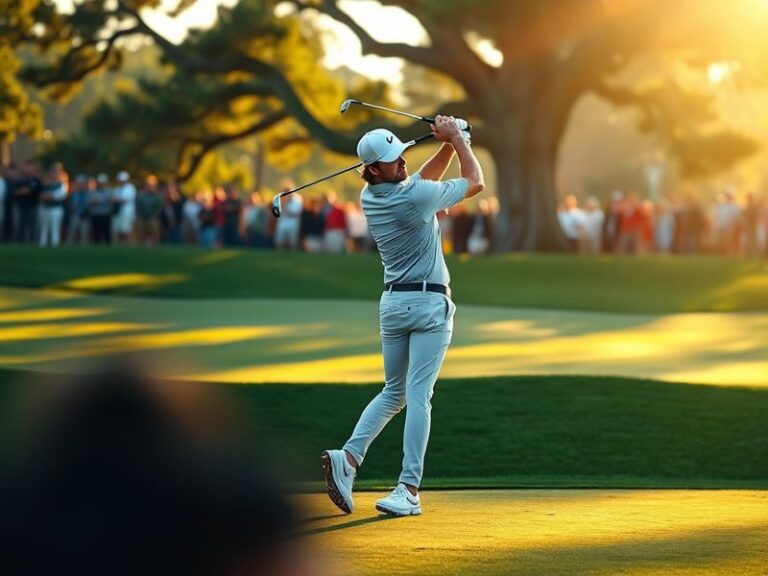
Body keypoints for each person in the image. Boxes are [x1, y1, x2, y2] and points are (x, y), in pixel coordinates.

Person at [321, 115, 484, 517]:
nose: (403, 162)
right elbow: (475, 181)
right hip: (428, 306)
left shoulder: (371, 196)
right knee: (418, 396)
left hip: (393, 306)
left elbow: (419, 184)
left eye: (401, 156)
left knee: (394, 392)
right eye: (394, 161)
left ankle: (349, 458)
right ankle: (408, 489)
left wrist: (443, 142)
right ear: (374, 169)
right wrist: (460, 140)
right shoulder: (412, 199)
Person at [112, 171, 137, 245]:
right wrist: (118, 200)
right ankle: (121, 245)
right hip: (118, 212)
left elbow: (125, 200)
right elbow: (114, 200)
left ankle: (130, 245)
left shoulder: (131, 188)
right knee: (118, 230)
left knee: (127, 230)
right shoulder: (116, 189)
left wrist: (117, 200)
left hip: (127, 213)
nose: (121, 182)